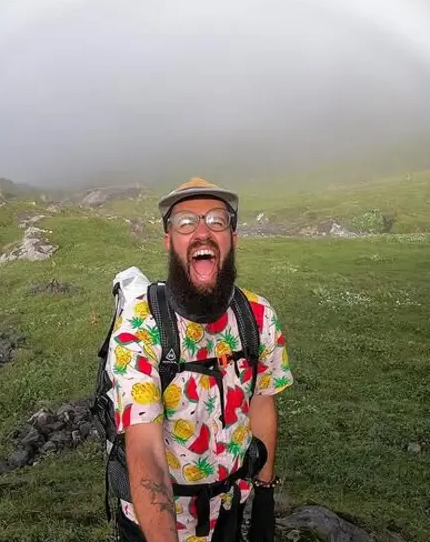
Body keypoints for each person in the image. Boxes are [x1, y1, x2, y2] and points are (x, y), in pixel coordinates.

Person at [105, 177, 294, 542]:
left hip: (230, 511)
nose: (202, 231)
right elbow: (144, 448)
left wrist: (265, 494)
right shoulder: (139, 327)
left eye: (217, 220)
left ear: (233, 237)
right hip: (155, 524)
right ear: (169, 241)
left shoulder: (258, 316)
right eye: (185, 222)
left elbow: (262, 402)